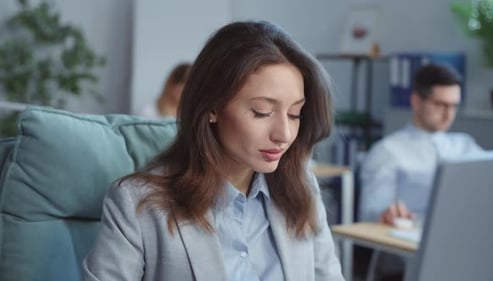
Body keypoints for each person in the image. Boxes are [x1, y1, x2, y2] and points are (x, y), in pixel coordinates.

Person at [83, 21, 344, 281]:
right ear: (212, 107)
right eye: (262, 112)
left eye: (295, 114)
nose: (284, 135)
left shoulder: (301, 189)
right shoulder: (137, 204)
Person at [359, 63, 483, 225]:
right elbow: (370, 211)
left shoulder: (465, 145)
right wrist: (387, 213)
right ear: (416, 101)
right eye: (440, 105)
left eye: (454, 106)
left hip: (463, 230)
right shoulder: (388, 151)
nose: (449, 115)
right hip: (411, 238)